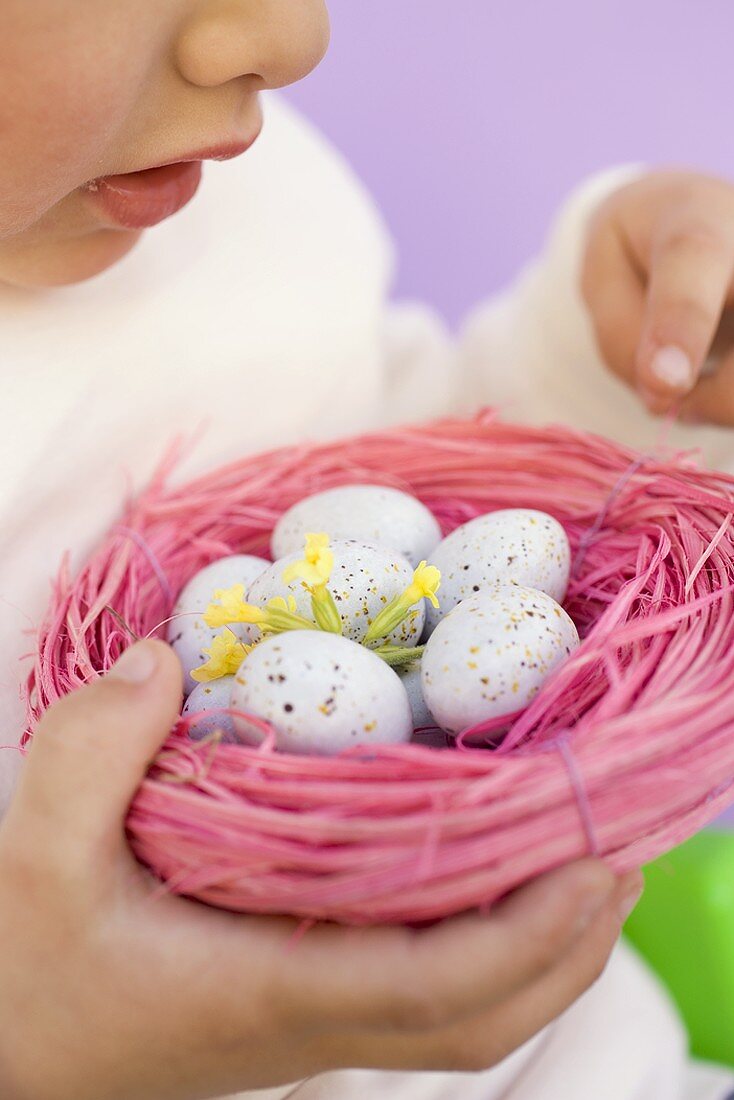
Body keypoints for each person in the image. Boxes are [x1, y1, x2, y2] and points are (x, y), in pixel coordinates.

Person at [1, 2, 733, 1098]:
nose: (287, 34)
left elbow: (394, 517)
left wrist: (604, 367)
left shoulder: (219, 198)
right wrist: (42, 1053)